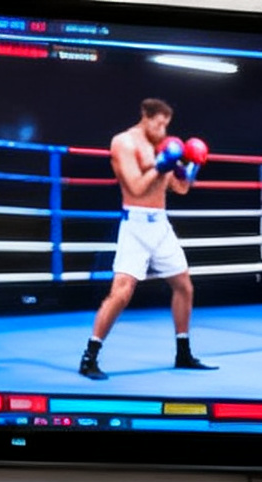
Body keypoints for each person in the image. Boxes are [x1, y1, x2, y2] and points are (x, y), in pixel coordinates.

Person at [79, 99, 213, 380]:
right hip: (135, 226)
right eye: (159, 123)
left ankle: (183, 352)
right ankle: (89, 356)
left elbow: (181, 189)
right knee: (121, 293)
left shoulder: (163, 144)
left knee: (184, 287)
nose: (163, 130)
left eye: (166, 125)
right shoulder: (124, 143)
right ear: (146, 117)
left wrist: (191, 167)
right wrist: (162, 164)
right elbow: (136, 187)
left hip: (161, 226)